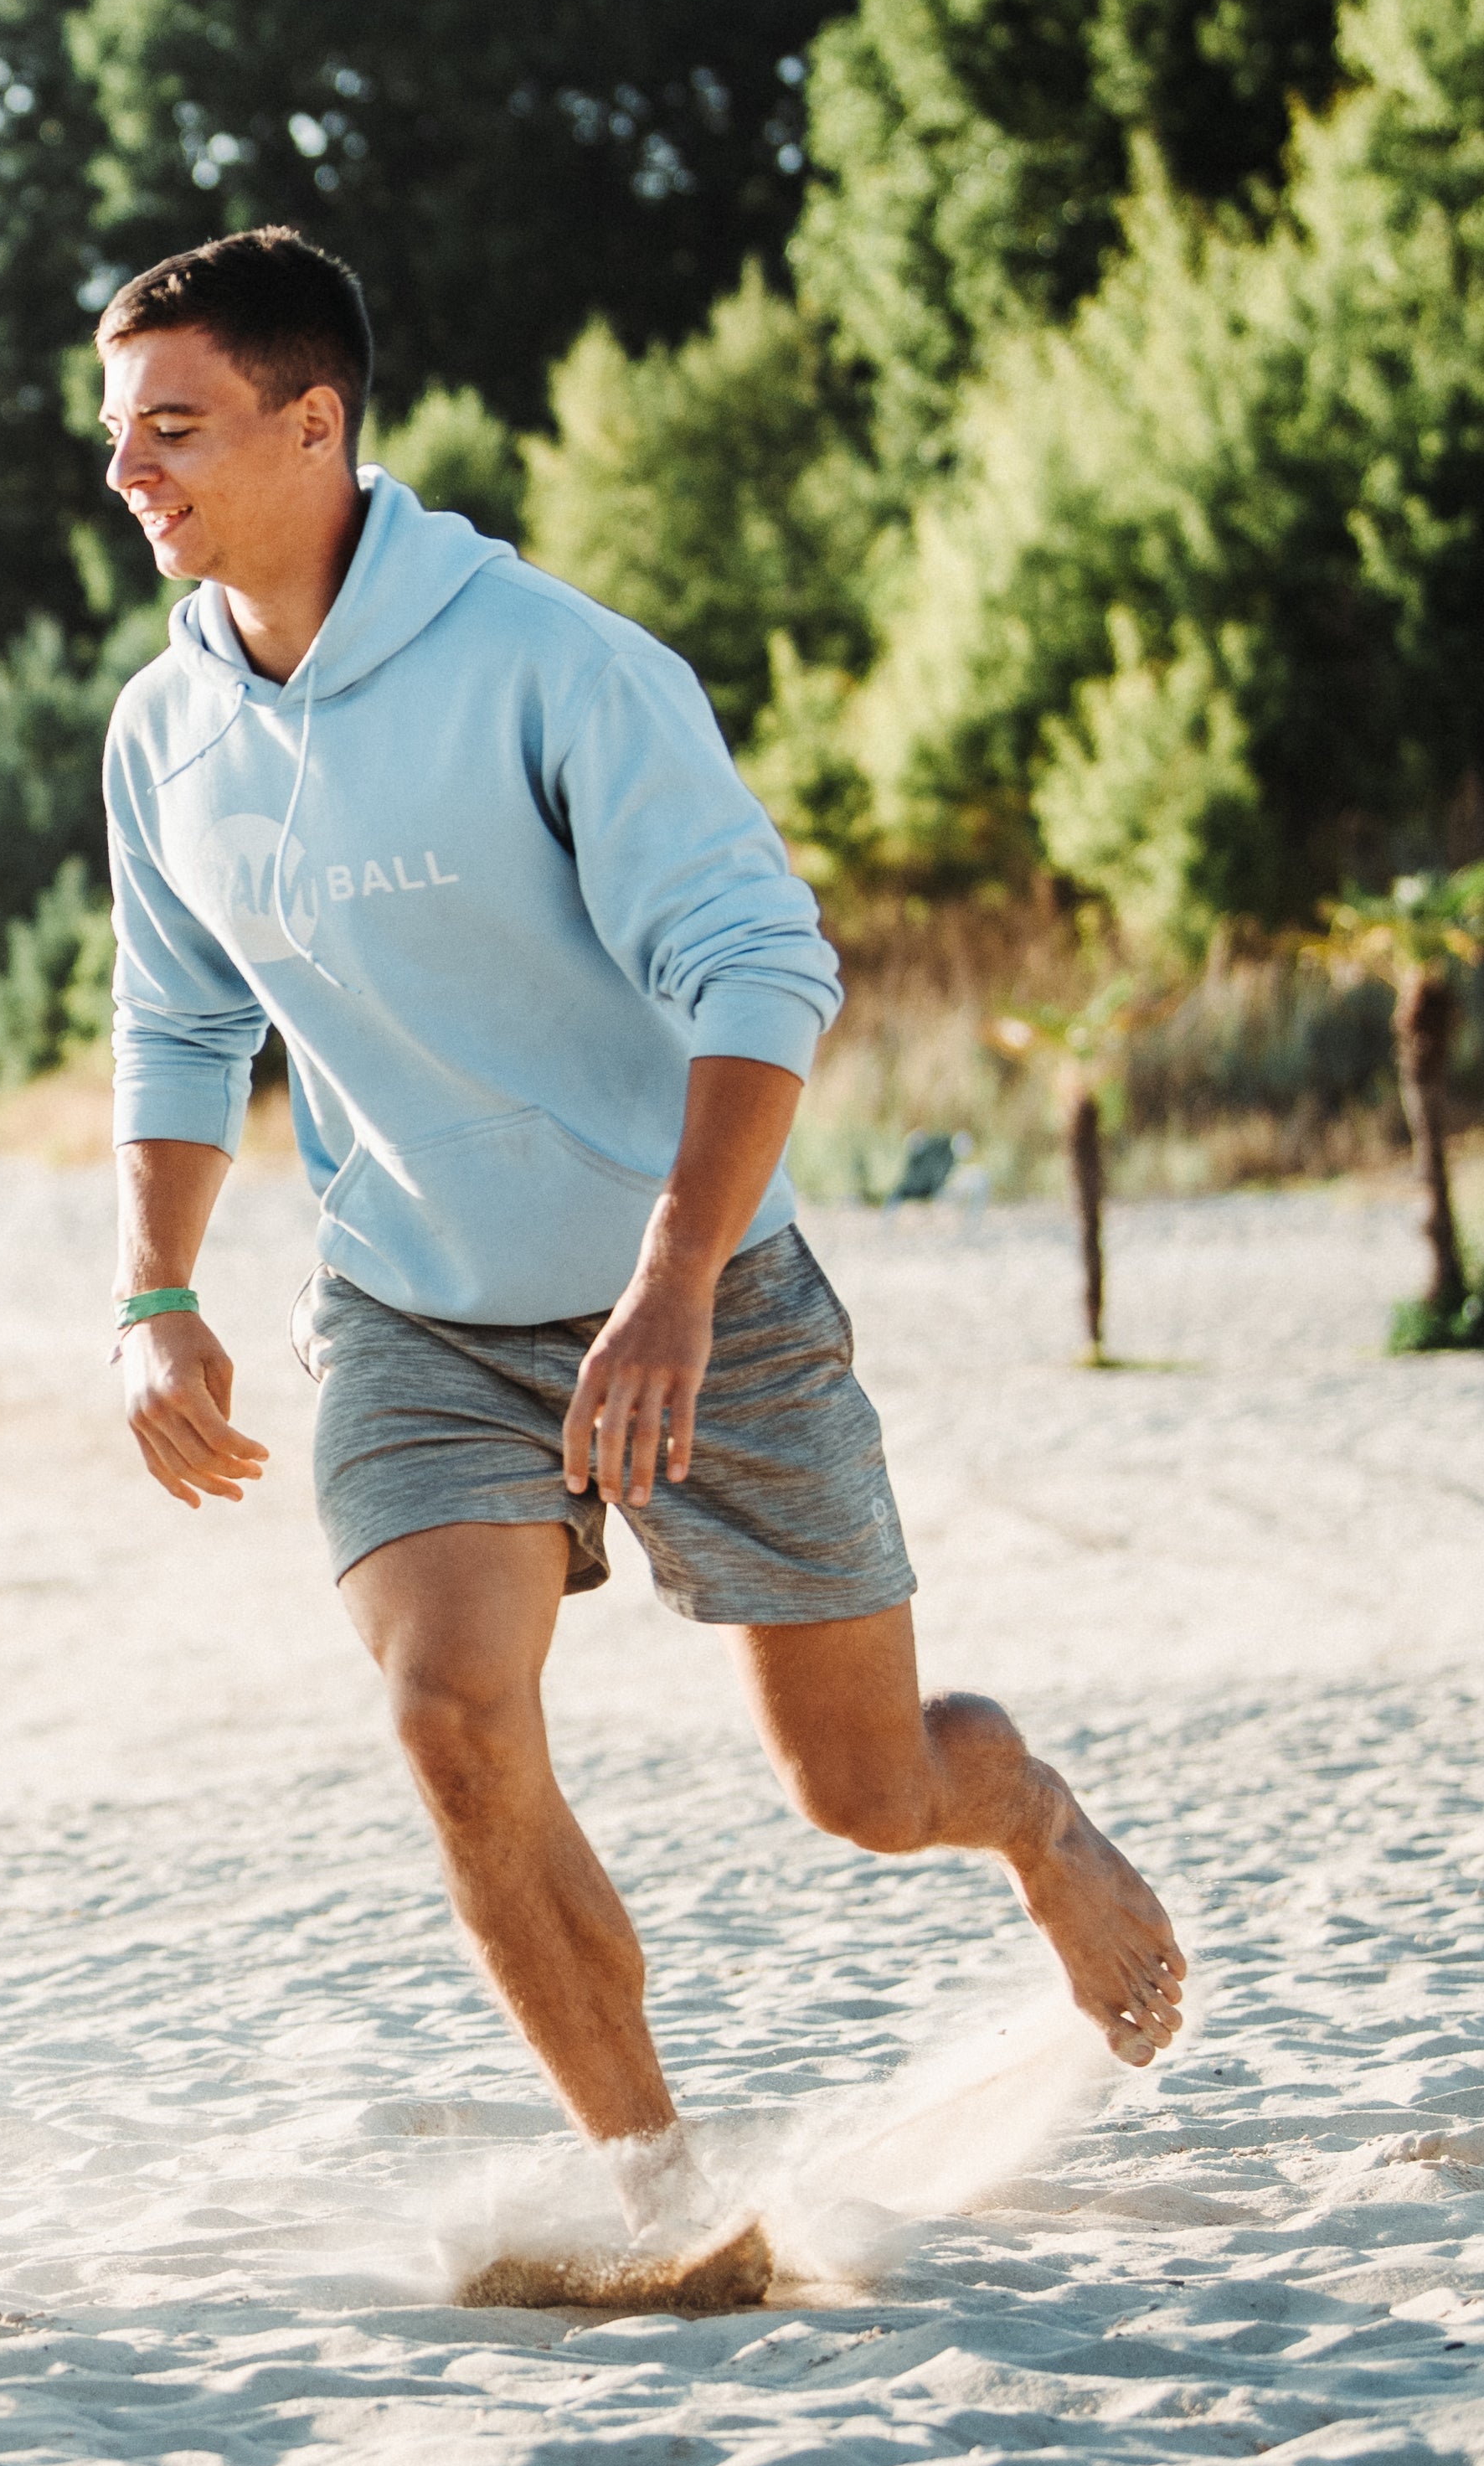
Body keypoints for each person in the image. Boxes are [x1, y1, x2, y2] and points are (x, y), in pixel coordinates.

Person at [89, 227, 1185, 2225]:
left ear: (315, 425)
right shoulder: (163, 734)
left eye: (175, 426)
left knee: (862, 1791)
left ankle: (1023, 1811)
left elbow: (764, 971)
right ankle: (659, 2191)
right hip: (414, 1305)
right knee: (447, 1712)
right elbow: (176, 1021)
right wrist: (157, 1290)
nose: (129, 473)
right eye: (114, 433)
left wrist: (676, 1284)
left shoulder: (557, 666)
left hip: (703, 1287)